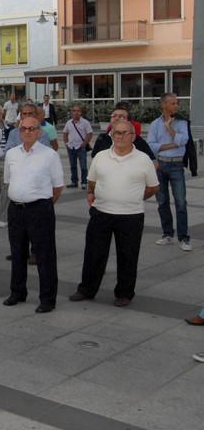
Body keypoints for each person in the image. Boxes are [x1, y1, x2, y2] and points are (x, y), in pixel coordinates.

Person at [70, 120, 159, 307]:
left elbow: (153, 187)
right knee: (94, 254)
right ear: (112, 135)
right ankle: (87, 289)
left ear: (133, 136)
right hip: (101, 213)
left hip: (131, 216)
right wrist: (91, 194)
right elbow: (92, 182)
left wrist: (133, 197)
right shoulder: (101, 156)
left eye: (125, 133)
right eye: (117, 132)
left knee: (128, 256)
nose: (120, 136)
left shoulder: (143, 159)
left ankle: (124, 294)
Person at [3, 116, 64, 313]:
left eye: (32, 129)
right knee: (17, 253)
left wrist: (41, 204)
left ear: (39, 132)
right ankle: (17, 292)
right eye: (24, 129)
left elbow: (58, 187)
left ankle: (47, 298)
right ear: (19, 131)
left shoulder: (49, 155)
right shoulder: (12, 154)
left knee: (45, 255)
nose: (27, 132)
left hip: (39, 210)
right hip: (16, 210)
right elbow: (8, 180)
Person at [147, 93, 191, 251]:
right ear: (164, 105)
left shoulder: (182, 122)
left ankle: (184, 238)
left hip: (176, 165)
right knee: (162, 202)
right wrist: (172, 145)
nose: (176, 106)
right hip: (160, 166)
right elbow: (151, 146)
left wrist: (169, 128)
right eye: (173, 103)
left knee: (181, 203)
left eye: (177, 103)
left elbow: (183, 141)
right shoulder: (154, 124)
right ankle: (167, 234)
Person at [63, 105, 93, 188]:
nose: (76, 112)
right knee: (73, 166)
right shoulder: (69, 122)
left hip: (81, 147)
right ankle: (74, 182)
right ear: (72, 112)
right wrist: (66, 144)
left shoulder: (85, 122)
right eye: (74, 111)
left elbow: (90, 134)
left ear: (81, 112)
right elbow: (65, 133)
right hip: (71, 147)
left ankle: (84, 182)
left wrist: (84, 143)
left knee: (83, 166)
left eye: (78, 111)